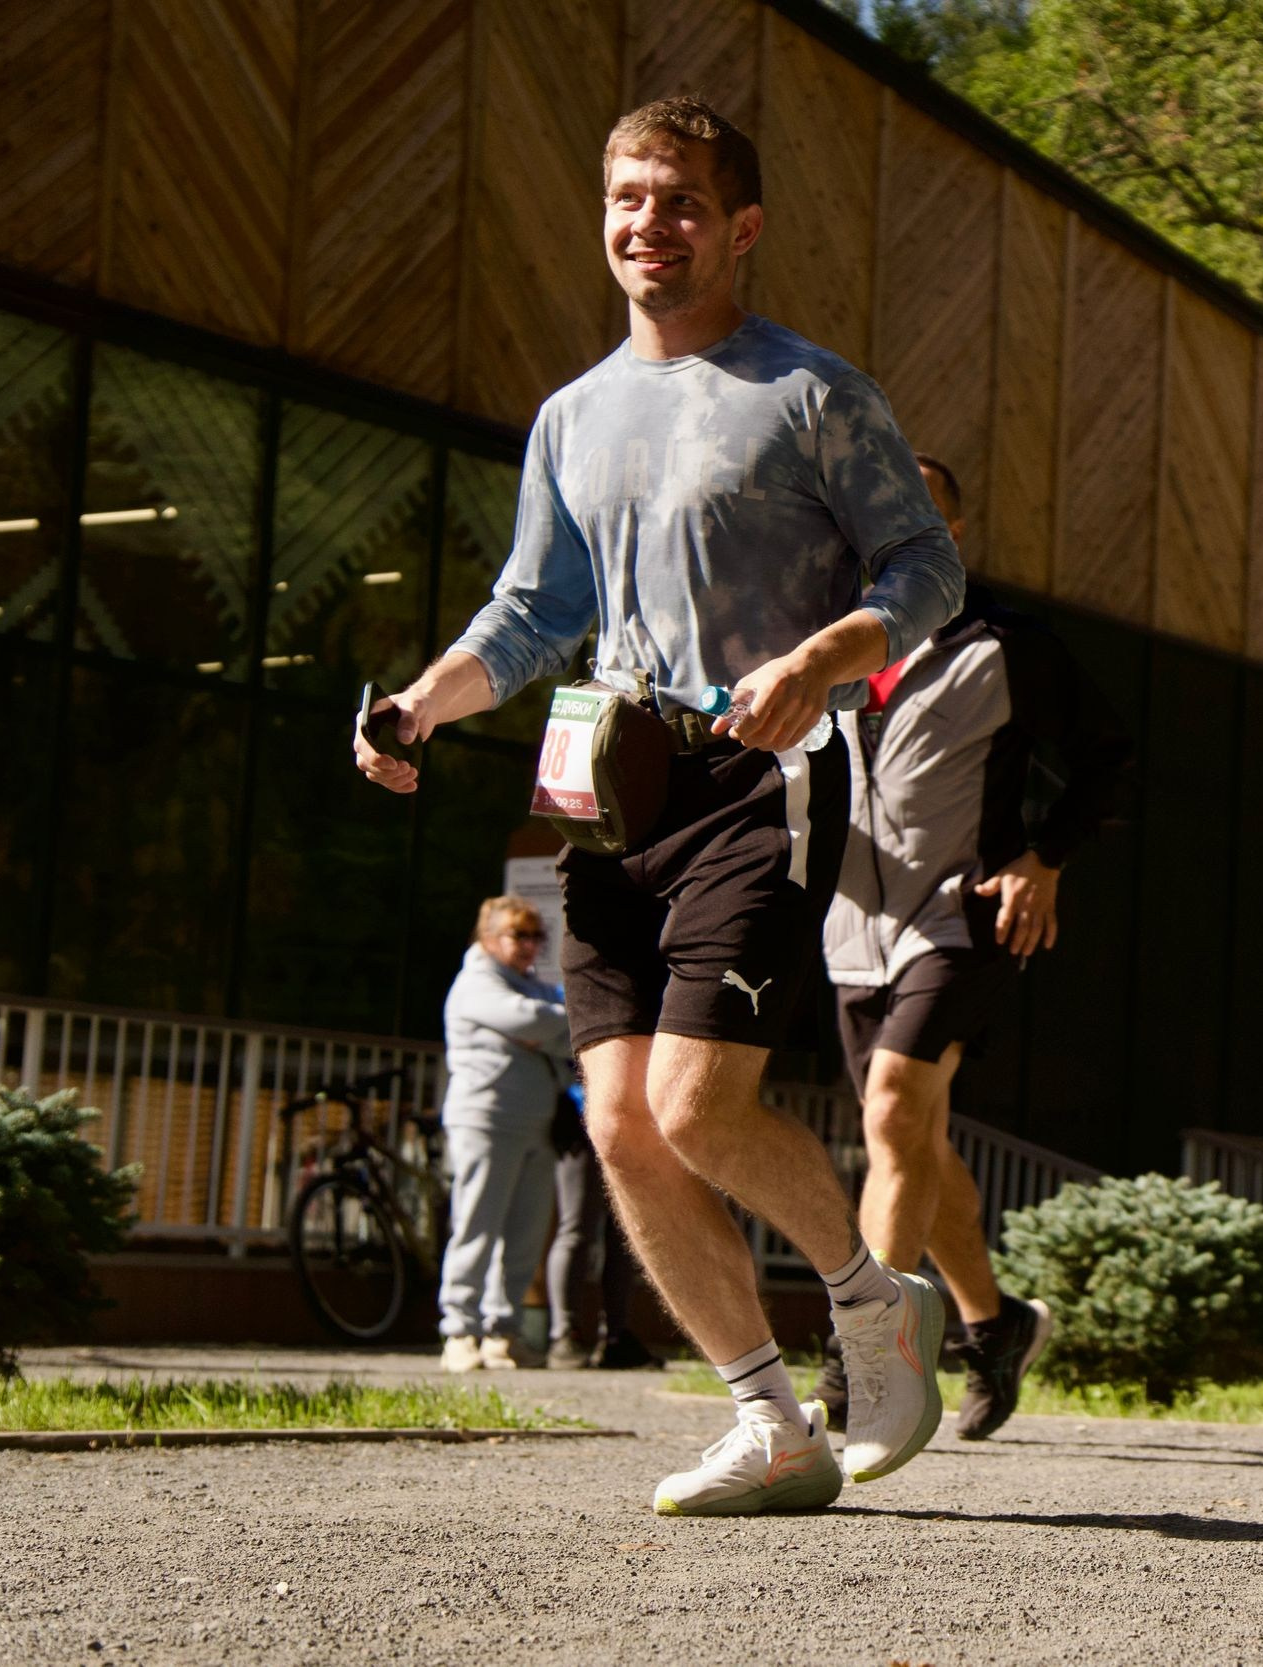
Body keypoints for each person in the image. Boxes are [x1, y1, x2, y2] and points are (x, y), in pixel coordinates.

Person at [356, 96, 966, 1516]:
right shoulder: (573, 415)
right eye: (631, 197)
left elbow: (924, 568)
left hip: (767, 775)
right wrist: (418, 710)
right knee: (624, 1122)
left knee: (697, 1100)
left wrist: (823, 658)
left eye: (681, 200)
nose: (651, 224)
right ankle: (770, 1418)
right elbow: (532, 608)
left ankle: (876, 1308)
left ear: (741, 228)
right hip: (613, 789)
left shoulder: (811, 394)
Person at [817, 453, 1132, 1441]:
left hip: (963, 914)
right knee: (908, 1133)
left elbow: (1108, 756)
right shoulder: (827, 649)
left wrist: (1046, 856)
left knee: (896, 1105)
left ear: (950, 538)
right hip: (848, 931)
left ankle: (855, 1365)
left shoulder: (1007, 644)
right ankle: (995, 1324)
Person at [435, 896, 573, 1372]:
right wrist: (548, 1025)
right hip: (485, 1119)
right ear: (489, 938)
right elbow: (534, 1021)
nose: (531, 946)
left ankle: (502, 1332)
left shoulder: (532, 988)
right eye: (520, 935)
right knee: (476, 1225)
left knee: (526, 1233)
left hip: (537, 1123)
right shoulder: (476, 982)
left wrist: (547, 1027)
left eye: (538, 936)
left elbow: (551, 1025)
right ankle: (459, 1331)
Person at [544, 1084, 662, 1371]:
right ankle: (563, 1335)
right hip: (579, 1112)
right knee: (576, 1228)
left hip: (634, 1120)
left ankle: (615, 1336)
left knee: (626, 1233)